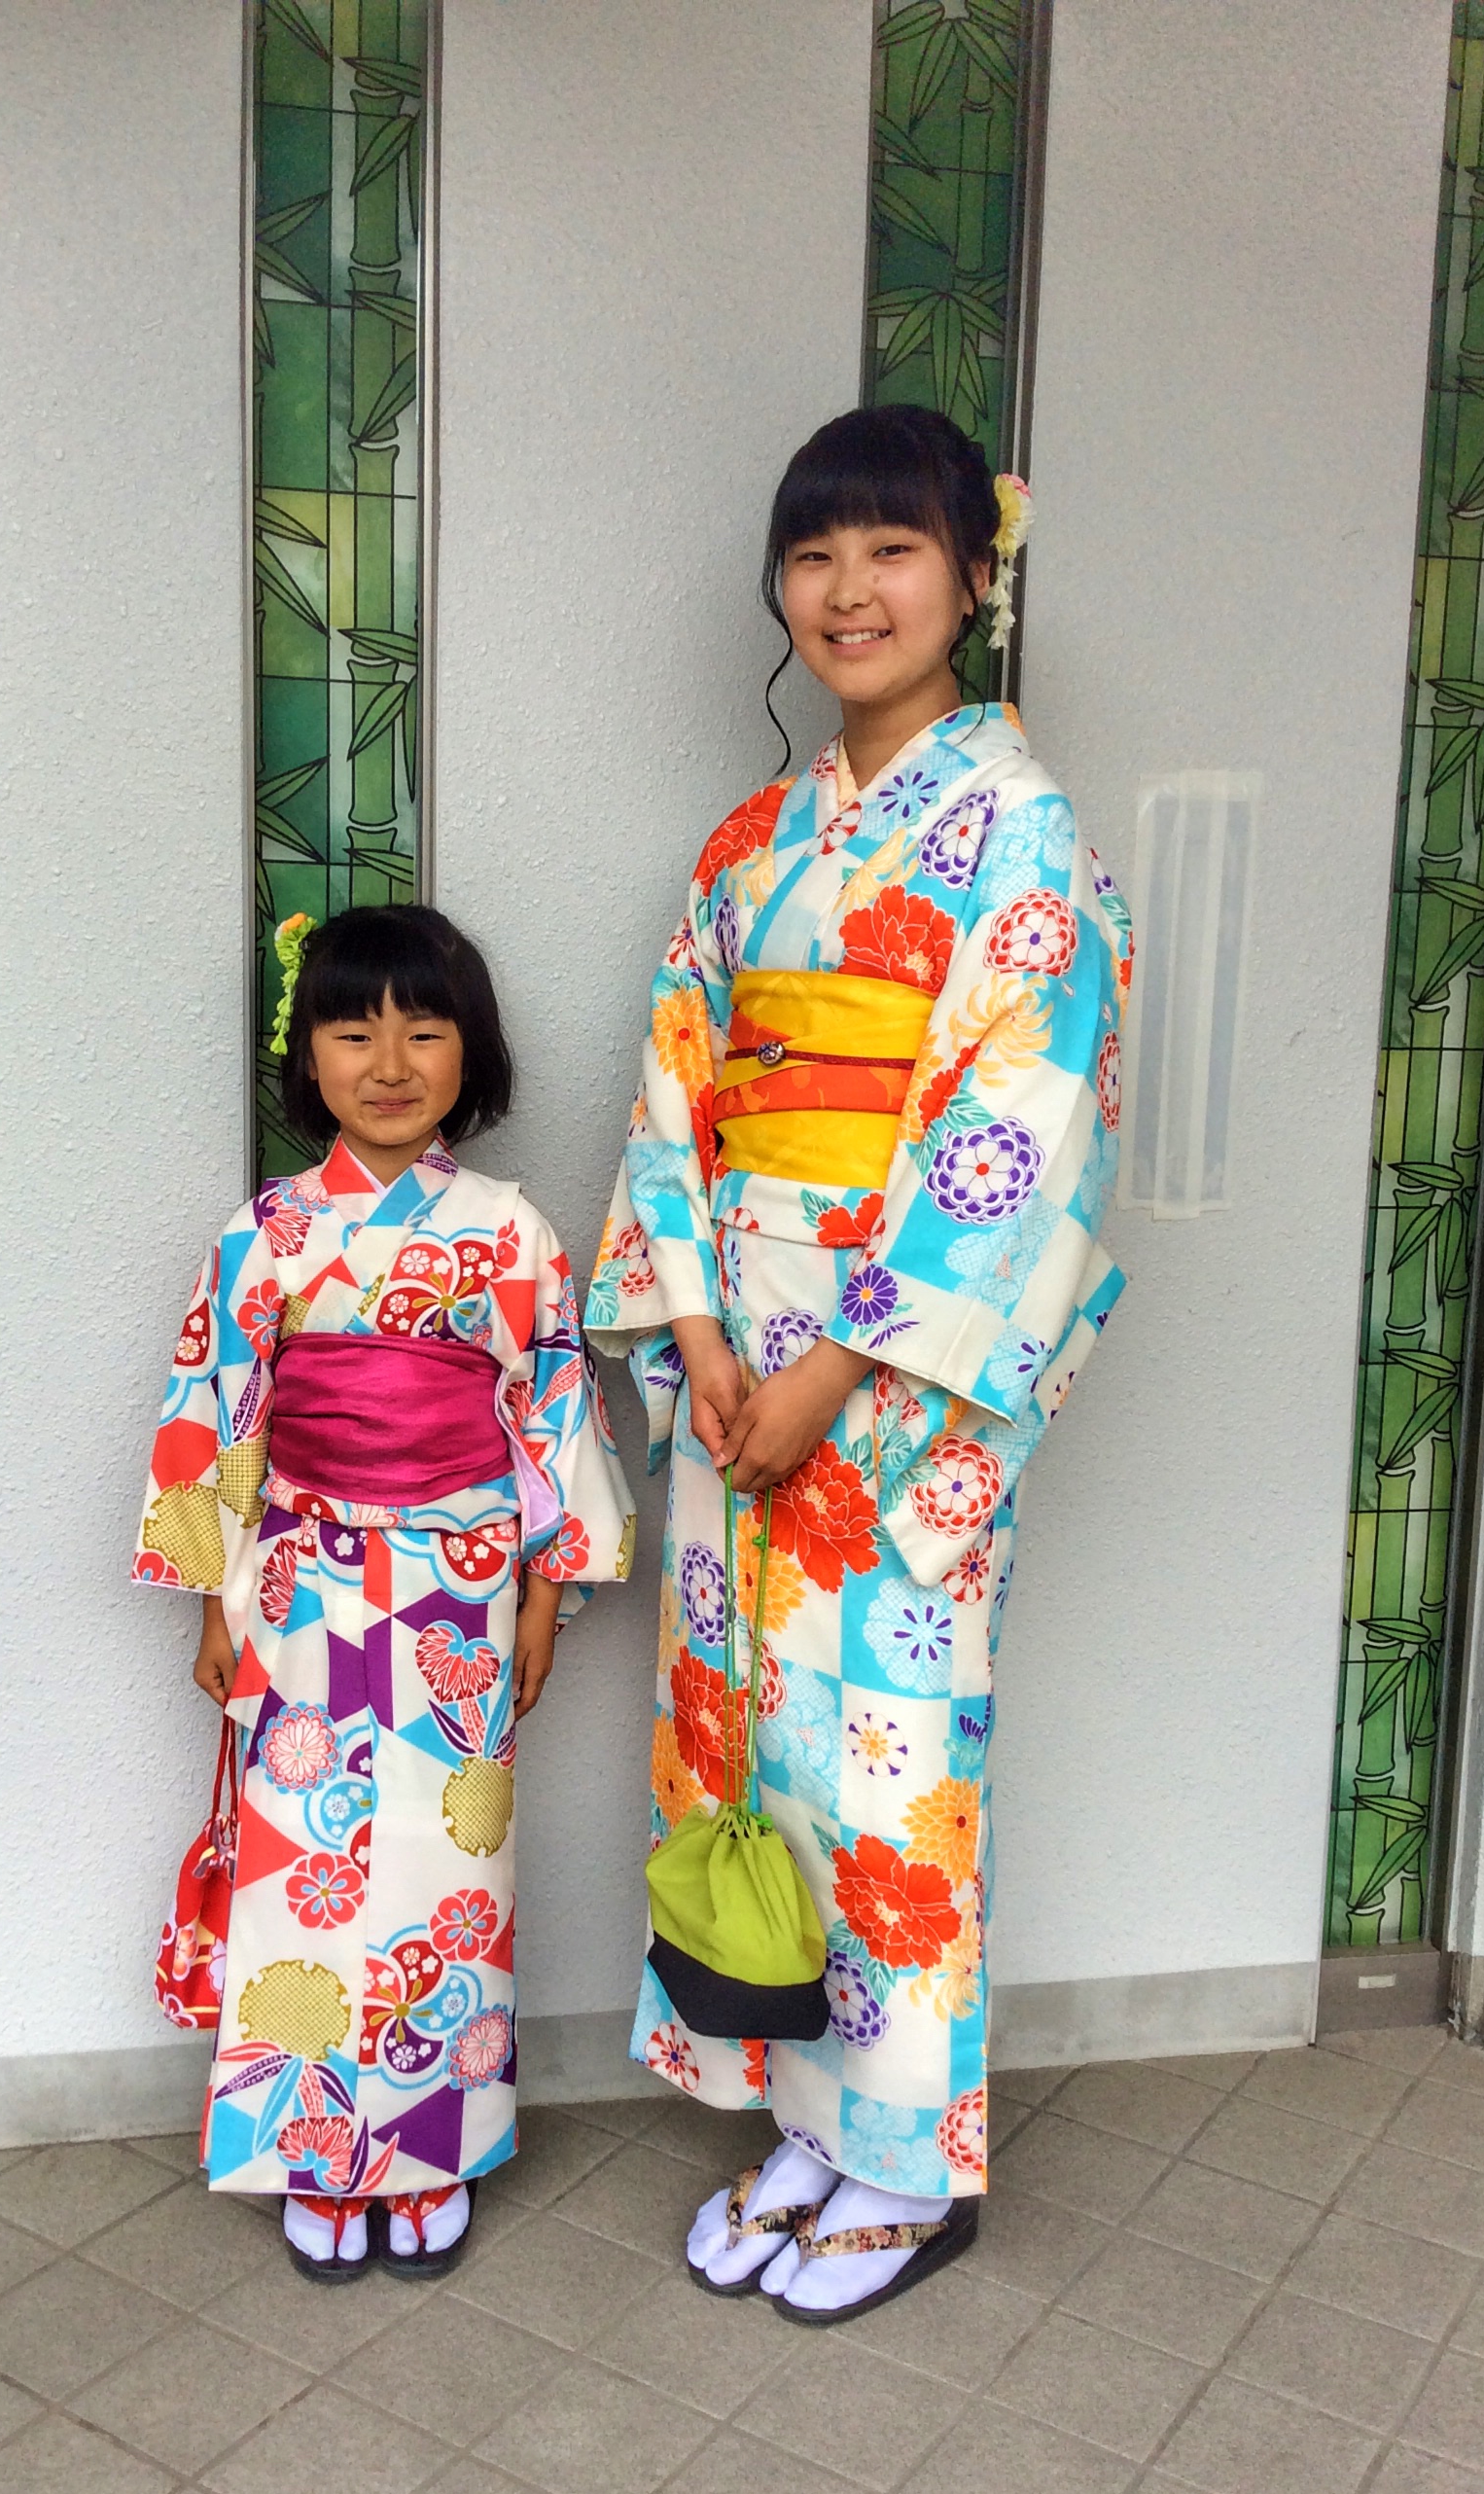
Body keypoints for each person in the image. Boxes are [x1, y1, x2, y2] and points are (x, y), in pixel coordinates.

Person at [586, 405, 1131, 2324]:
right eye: (813, 554)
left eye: (892, 549)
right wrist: (704, 1336)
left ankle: (908, 2163)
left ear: (975, 576)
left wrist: (830, 1376)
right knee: (746, 1746)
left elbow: (1021, 1134)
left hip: (887, 1393)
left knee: (890, 1771)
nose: (847, 590)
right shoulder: (750, 845)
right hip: (733, 1370)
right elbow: (678, 1095)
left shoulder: (1023, 835)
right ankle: (803, 2118)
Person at [137, 905, 633, 2281]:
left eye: (426, 1028)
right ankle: (315, 2150)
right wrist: (212, 1602)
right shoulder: (266, 1236)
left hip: (461, 1585)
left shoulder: (510, 1234)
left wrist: (544, 1600)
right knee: (303, 1870)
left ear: (473, 1054)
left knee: (444, 1867)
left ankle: (430, 2153)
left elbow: (554, 1420)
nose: (392, 1061)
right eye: (354, 1031)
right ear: (309, 1058)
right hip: (300, 1584)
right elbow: (216, 1417)